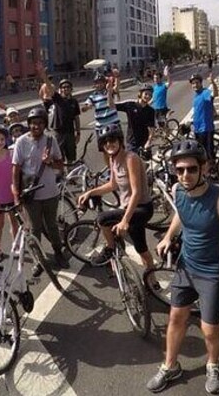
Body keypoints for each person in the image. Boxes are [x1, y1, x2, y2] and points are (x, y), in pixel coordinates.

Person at [147, 140, 219, 394]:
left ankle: (213, 364)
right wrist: (167, 237)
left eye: (192, 169)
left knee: (209, 329)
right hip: (185, 267)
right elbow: (180, 216)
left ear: (204, 168)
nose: (185, 175)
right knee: (176, 317)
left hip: (212, 273)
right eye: (180, 170)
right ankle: (170, 366)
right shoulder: (178, 190)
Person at [77, 125, 155, 270]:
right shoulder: (113, 159)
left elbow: (136, 192)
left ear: (120, 141)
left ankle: (110, 249)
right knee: (141, 249)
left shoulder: (130, 158)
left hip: (141, 208)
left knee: (102, 219)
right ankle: (152, 282)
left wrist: (125, 220)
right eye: (105, 142)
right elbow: (112, 185)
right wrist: (90, 192)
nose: (109, 144)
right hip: (128, 208)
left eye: (112, 140)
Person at [11, 107, 69, 274]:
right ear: (28, 124)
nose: (36, 126)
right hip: (31, 195)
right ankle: (38, 260)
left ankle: (58, 252)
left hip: (50, 193)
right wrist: (16, 195)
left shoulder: (51, 141)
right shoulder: (21, 142)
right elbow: (15, 169)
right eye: (33, 123)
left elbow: (60, 165)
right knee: (34, 228)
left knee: (52, 226)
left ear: (45, 125)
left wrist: (50, 162)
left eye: (40, 123)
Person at [46, 78, 82, 163]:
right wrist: (43, 74)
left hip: (70, 132)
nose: (65, 88)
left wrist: (78, 133)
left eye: (67, 87)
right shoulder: (58, 99)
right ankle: (61, 174)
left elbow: (76, 117)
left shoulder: (74, 102)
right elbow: (49, 86)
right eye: (63, 87)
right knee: (59, 156)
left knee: (71, 156)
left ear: (71, 89)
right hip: (59, 132)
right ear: (60, 89)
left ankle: (70, 172)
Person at [115, 84, 156, 151]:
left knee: (146, 161)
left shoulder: (151, 111)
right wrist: (109, 92)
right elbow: (112, 106)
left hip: (144, 142)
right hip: (132, 142)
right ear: (140, 94)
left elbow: (152, 129)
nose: (148, 96)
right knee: (131, 160)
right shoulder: (130, 105)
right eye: (146, 94)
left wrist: (148, 142)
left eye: (150, 95)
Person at [189, 72, 219, 160]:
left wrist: (212, 83)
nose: (195, 85)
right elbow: (198, 111)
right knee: (201, 153)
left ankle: (213, 171)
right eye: (193, 83)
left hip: (206, 128)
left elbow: (215, 94)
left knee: (208, 154)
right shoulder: (196, 95)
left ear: (201, 83)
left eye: (197, 83)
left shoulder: (205, 92)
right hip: (197, 129)